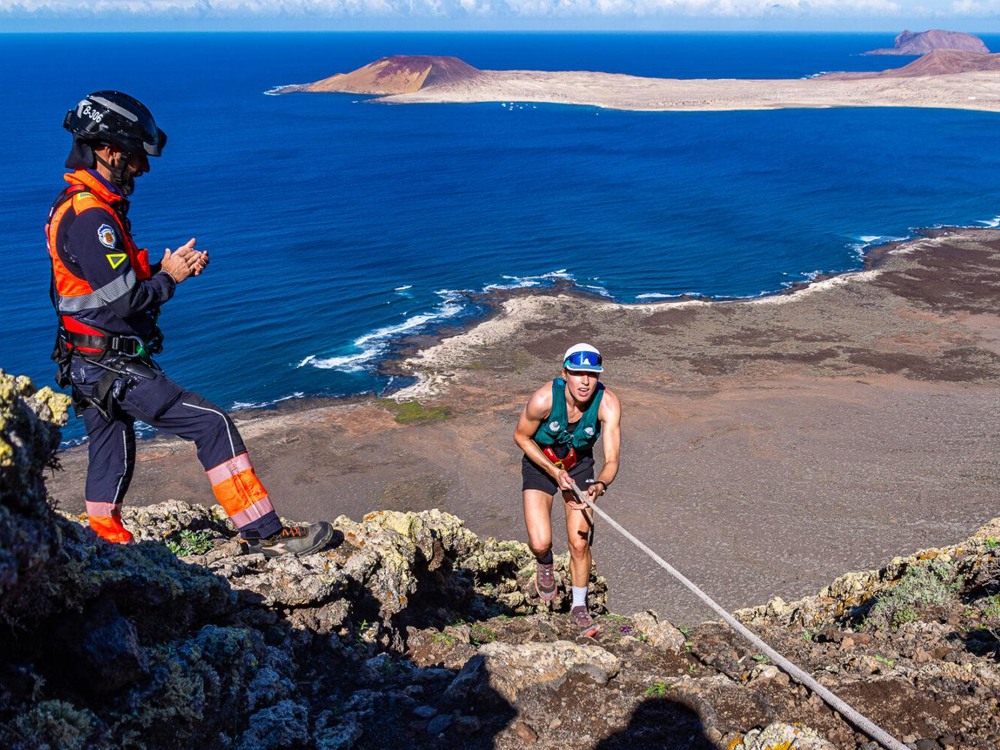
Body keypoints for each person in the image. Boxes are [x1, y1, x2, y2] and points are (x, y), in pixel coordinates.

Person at [48, 91, 332, 557]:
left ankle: (103, 542)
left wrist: (158, 268)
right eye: (137, 157)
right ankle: (265, 534)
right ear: (109, 150)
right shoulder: (91, 217)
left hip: (87, 363)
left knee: (111, 448)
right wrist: (169, 278)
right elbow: (127, 301)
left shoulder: (79, 205)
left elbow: (98, 285)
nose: (143, 169)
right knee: (213, 425)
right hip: (111, 366)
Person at [513, 343, 622, 636]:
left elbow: (612, 459)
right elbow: (521, 436)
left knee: (579, 542)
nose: (585, 381)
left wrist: (600, 484)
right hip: (541, 463)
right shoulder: (544, 400)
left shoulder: (607, 403)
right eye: (577, 373)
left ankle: (579, 606)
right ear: (565, 373)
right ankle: (545, 563)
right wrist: (552, 470)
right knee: (539, 542)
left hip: (579, 467)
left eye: (592, 374)